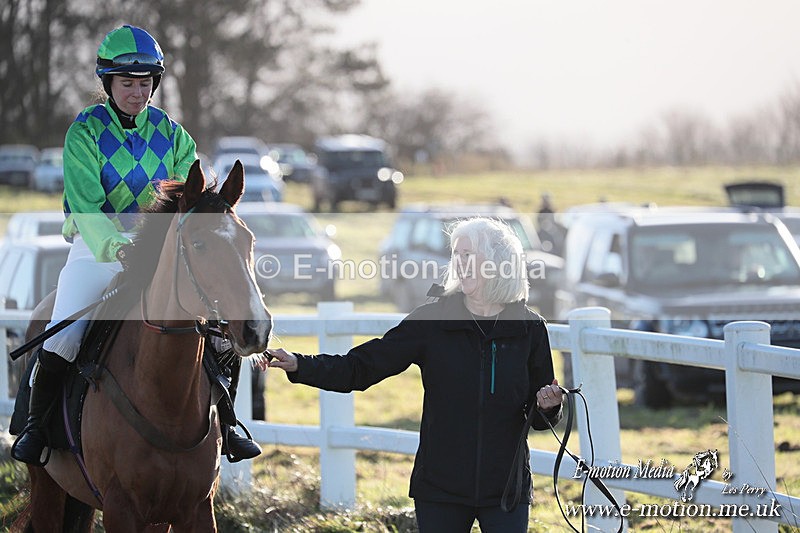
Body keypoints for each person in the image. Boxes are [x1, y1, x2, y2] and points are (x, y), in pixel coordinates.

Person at [11, 25, 260, 466]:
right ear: (108, 82)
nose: (136, 92)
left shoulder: (174, 135)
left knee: (222, 332)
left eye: (144, 83)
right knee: (64, 335)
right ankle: (36, 428)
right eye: (127, 83)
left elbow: (192, 201)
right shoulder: (83, 133)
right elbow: (86, 209)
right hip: (97, 249)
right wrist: (117, 246)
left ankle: (229, 421)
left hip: (162, 254)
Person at [263, 217, 564, 532]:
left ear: (499, 263)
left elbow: (539, 417)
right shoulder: (431, 321)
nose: (459, 264)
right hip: (440, 489)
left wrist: (548, 406)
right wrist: (300, 364)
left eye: (469, 255)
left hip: (506, 490)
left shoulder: (530, 328)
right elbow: (361, 367)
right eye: (456, 255)